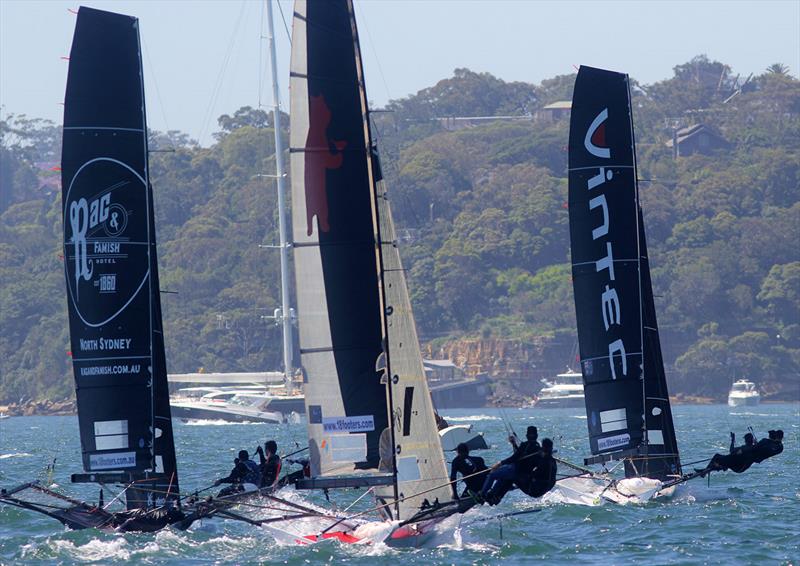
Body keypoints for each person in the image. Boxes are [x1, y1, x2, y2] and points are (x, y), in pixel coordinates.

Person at [481, 426, 541, 505]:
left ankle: (482, 494)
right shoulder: (538, 448)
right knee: (502, 477)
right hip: (524, 473)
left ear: (527, 435)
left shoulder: (525, 445)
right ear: (536, 435)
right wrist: (514, 444)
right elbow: (520, 455)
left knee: (492, 474)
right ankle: (492, 496)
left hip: (515, 470)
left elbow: (514, 457)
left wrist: (500, 463)